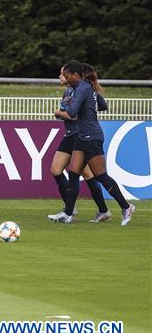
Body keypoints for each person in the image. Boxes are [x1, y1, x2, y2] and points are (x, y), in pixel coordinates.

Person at [53, 60, 135, 225]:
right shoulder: (82, 88)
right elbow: (100, 105)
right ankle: (68, 214)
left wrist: (62, 110)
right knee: (74, 173)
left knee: (101, 176)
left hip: (91, 136)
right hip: (82, 136)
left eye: (67, 76)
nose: (65, 79)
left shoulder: (82, 88)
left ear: (75, 75)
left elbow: (72, 112)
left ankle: (126, 207)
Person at [48, 65, 108, 222]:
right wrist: (62, 115)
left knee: (87, 174)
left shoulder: (83, 89)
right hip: (69, 135)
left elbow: (100, 105)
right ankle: (71, 208)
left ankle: (101, 210)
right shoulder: (68, 91)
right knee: (56, 170)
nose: (61, 77)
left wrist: (63, 113)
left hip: (79, 135)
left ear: (72, 75)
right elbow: (67, 113)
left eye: (62, 74)